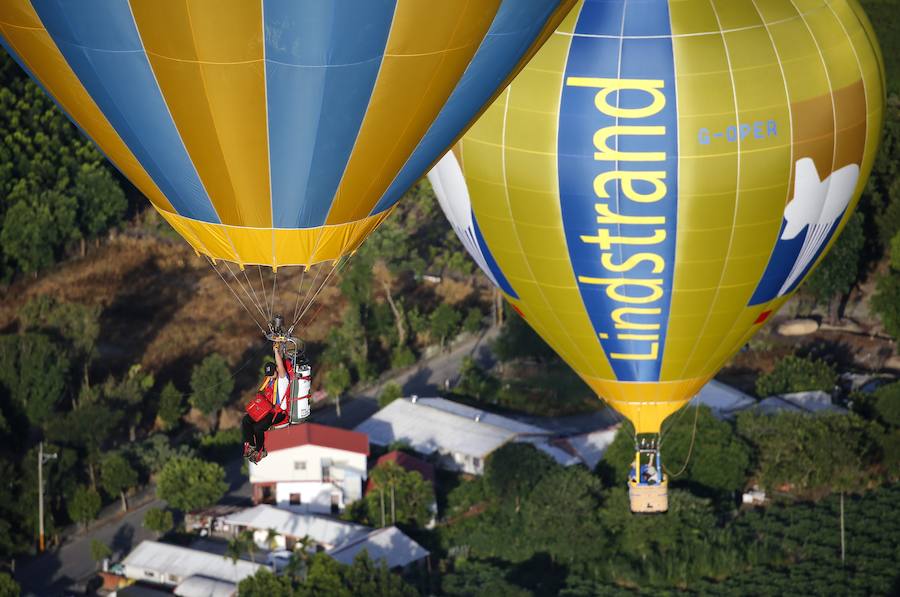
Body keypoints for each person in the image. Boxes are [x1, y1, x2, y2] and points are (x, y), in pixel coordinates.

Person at [241, 343, 292, 462]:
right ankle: (251, 444)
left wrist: (276, 351)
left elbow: (280, 366)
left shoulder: (282, 379)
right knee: (246, 420)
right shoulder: (270, 381)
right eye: (268, 375)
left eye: (272, 374)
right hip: (268, 410)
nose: (271, 377)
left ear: (277, 371)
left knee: (258, 428)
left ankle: (260, 450)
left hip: (280, 413)